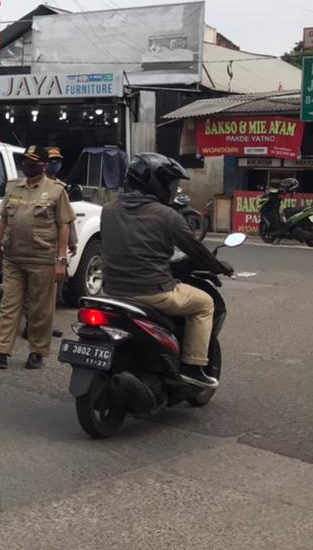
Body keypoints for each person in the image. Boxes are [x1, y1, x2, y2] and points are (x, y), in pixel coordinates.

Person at [99, 154, 230, 388]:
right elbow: (197, 250)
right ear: (155, 183)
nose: (173, 189)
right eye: (171, 184)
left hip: (112, 291)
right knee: (205, 304)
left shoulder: (108, 210)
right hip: (153, 292)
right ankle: (193, 367)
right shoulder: (167, 215)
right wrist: (220, 267)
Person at [0, 146, 76, 371]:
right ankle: (0, 352)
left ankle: (37, 352)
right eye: (25, 162)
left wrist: (61, 260)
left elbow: (64, 226)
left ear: (43, 166)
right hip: (13, 257)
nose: (27, 166)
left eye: (32, 163)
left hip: (42, 258)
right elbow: (4, 219)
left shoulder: (56, 190)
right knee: (8, 305)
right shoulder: (13, 187)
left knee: (40, 309)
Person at [46, 146, 78, 256]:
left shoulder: (61, 188)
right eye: (51, 160)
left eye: (58, 160)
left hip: (54, 242)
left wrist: (72, 241)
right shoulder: (35, 184)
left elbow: (67, 218)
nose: (55, 163)